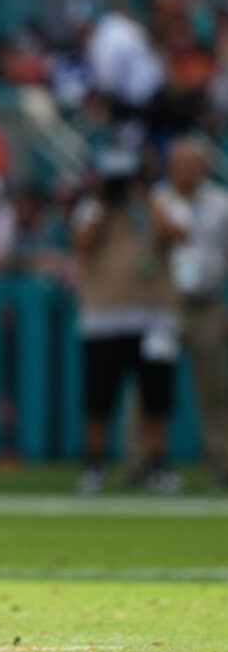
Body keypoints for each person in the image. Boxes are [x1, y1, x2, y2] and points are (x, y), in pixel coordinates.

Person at [70, 146, 182, 493]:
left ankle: (156, 464)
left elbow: (179, 234)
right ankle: (96, 464)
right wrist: (103, 203)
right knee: (99, 396)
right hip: (104, 314)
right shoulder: (92, 207)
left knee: (155, 396)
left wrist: (144, 199)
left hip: (151, 314)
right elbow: (81, 243)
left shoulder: (154, 203)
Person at [152, 135, 228, 488]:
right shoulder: (157, 201)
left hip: (207, 303)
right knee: (151, 386)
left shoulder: (220, 203)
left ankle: (222, 463)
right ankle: (144, 463)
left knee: (216, 388)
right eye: (181, 163)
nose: (188, 170)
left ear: (205, 166)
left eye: (194, 163)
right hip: (164, 304)